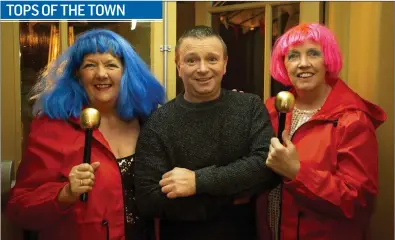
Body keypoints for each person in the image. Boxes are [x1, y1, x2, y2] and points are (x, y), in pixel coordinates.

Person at [6, 29, 165, 240]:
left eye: (111, 64)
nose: (101, 74)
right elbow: (20, 207)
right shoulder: (51, 129)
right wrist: (64, 194)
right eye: (90, 65)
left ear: (127, 73)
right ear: (77, 76)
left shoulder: (150, 121)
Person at [134, 25, 279, 240]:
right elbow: (149, 199)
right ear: (178, 66)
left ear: (225, 64)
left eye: (212, 59)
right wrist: (231, 198)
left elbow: (265, 167)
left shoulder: (250, 107)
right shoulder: (159, 122)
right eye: (191, 60)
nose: (203, 69)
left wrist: (198, 182)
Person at [257, 23, 387, 240]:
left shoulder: (353, 120)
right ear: (283, 64)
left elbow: (357, 201)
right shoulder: (270, 109)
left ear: (328, 61)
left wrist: (297, 172)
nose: (303, 64)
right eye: (293, 56)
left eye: (313, 54)